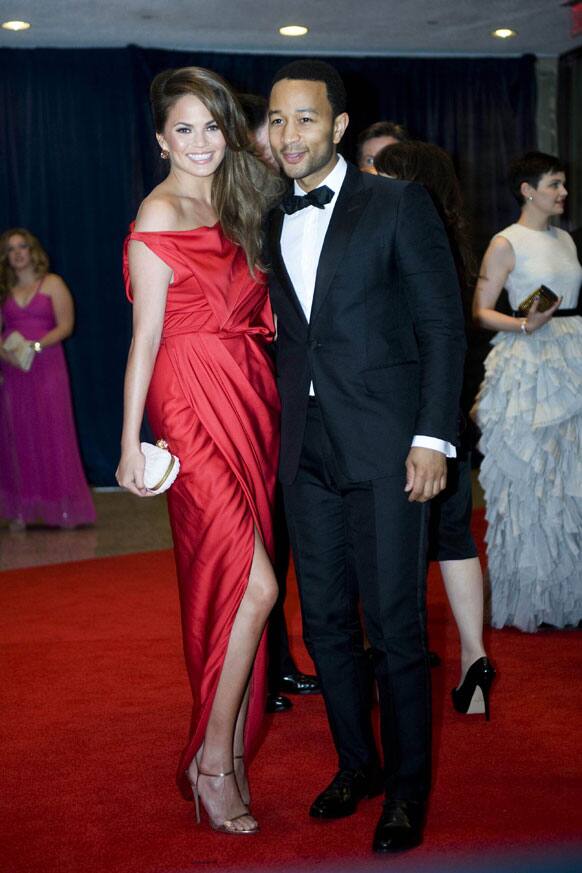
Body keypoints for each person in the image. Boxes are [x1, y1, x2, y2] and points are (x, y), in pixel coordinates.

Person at [267, 60, 466, 853]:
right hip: (304, 454)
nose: (289, 135)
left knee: (395, 625)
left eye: (305, 119)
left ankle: (408, 790)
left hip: (389, 449)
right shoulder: (265, 214)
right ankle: (359, 764)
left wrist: (432, 436)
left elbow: (443, 327)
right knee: (323, 623)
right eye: (277, 120)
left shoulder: (397, 203)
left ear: (339, 125)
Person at [116, 66, 283, 835]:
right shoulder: (158, 213)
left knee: (239, 581)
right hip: (187, 400)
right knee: (256, 587)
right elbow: (145, 337)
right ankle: (213, 760)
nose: (201, 141)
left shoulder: (240, 202)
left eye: (213, 125)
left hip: (249, 395)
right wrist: (128, 443)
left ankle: (229, 751)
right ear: (160, 140)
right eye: (184, 128)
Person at [374, 141, 495, 719]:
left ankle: (400, 660)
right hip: (447, 415)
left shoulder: (399, 236)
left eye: (379, 170)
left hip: (407, 414)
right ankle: (474, 662)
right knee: (454, 538)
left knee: (394, 542)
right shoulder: (456, 240)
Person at [472, 151, 582, 632]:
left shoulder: (566, 240)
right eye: (554, 184)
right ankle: (531, 597)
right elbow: (480, 311)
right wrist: (523, 323)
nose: (562, 192)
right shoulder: (505, 242)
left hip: (571, 355)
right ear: (527, 189)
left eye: (563, 185)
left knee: (568, 480)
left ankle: (569, 595)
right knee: (532, 477)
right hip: (528, 361)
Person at [238, 91, 320, 713]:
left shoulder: (286, 203)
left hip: (289, 389)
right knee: (257, 536)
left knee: (283, 535)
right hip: (246, 386)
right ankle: (259, 672)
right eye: (268, 130)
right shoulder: (241, 211)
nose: (278, 142)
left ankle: (280, 662)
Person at [0, 228, 95, 530]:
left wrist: (37, 345)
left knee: (54, 433)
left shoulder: (52, 283)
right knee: (18, 437)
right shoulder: (4, 290)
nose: (17, 253)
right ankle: (22, 511)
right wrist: (7, 355)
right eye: (11, 248)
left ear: (32, 251)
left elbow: (67, 325)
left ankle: (63, 508)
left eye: (23, 246)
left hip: (47, 366)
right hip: (15, 370)